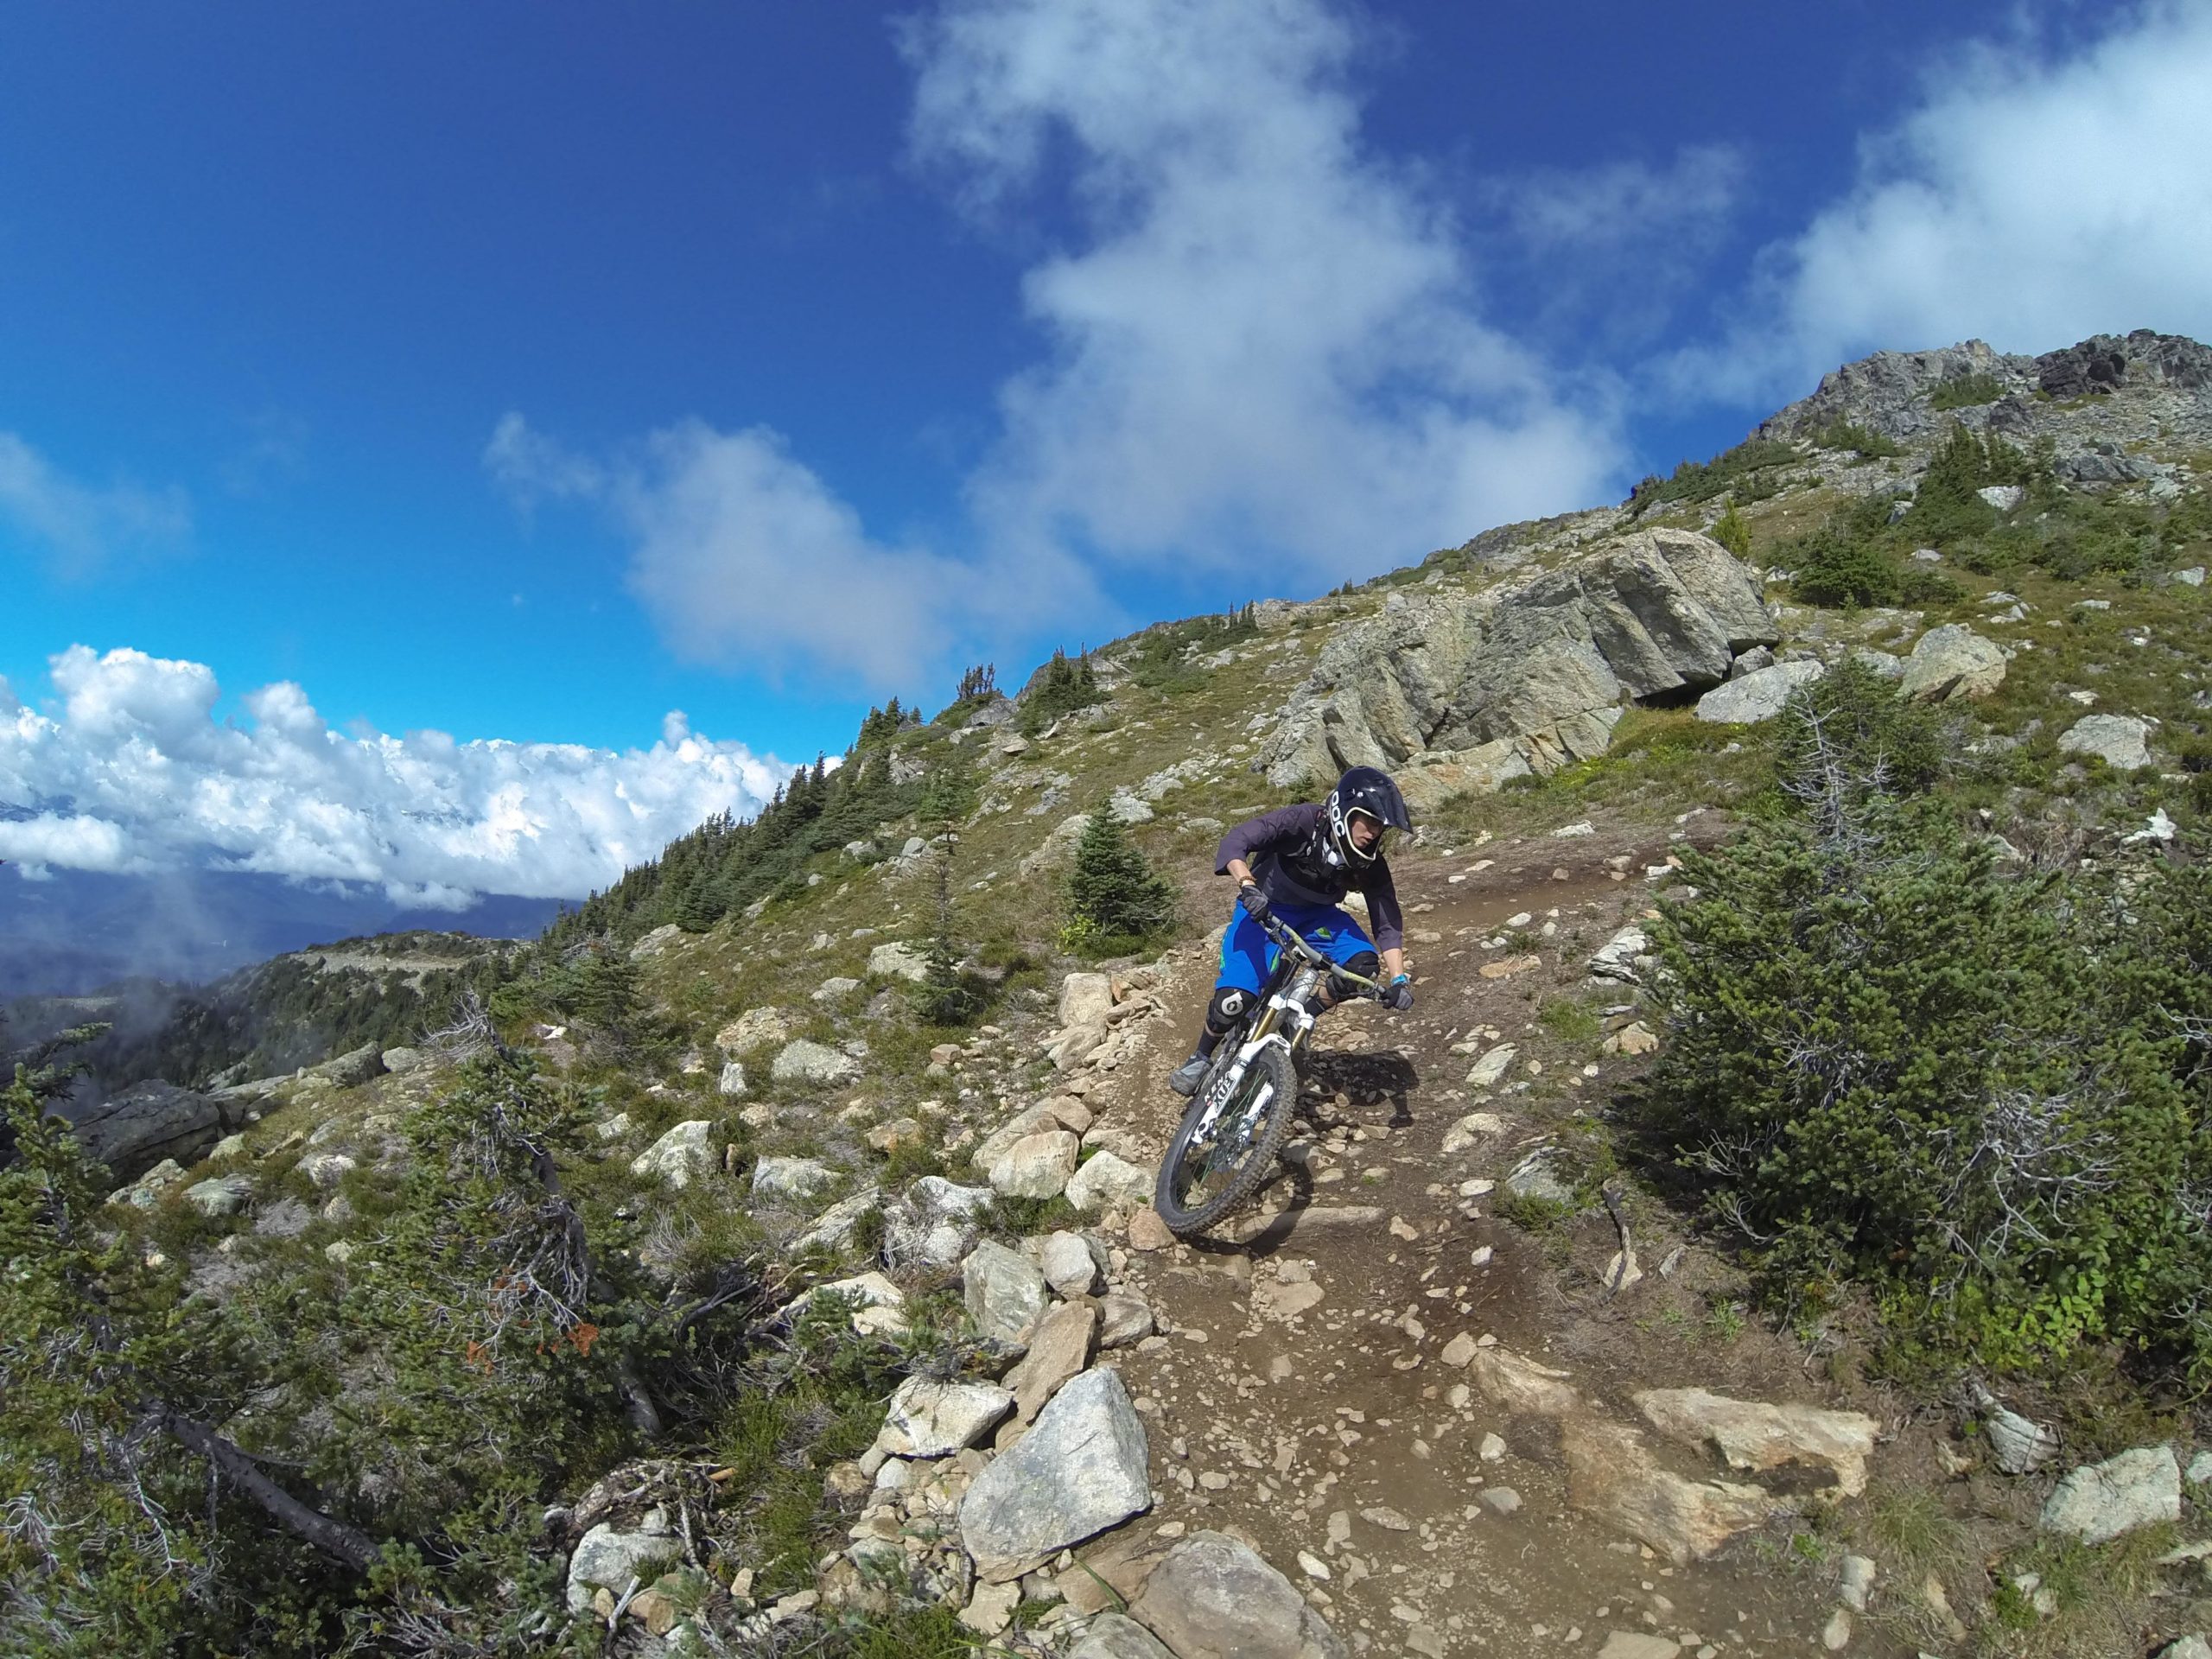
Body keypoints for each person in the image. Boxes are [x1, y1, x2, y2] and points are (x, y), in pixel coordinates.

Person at [1168, 765, 1414, 1097]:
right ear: (1345, 810)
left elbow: (1386, 920)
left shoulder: (1368, 861)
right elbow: (1236, 840)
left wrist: (1399, 979)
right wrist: (1247, 885)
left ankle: (1303, 1015)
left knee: (1361, 969)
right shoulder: (1302, 822)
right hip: (1263, 908)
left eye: (1380, 826)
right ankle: (1200, 1057)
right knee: (1234, 1001)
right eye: (1369, 821)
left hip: (1319, 917)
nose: (1374, 832)